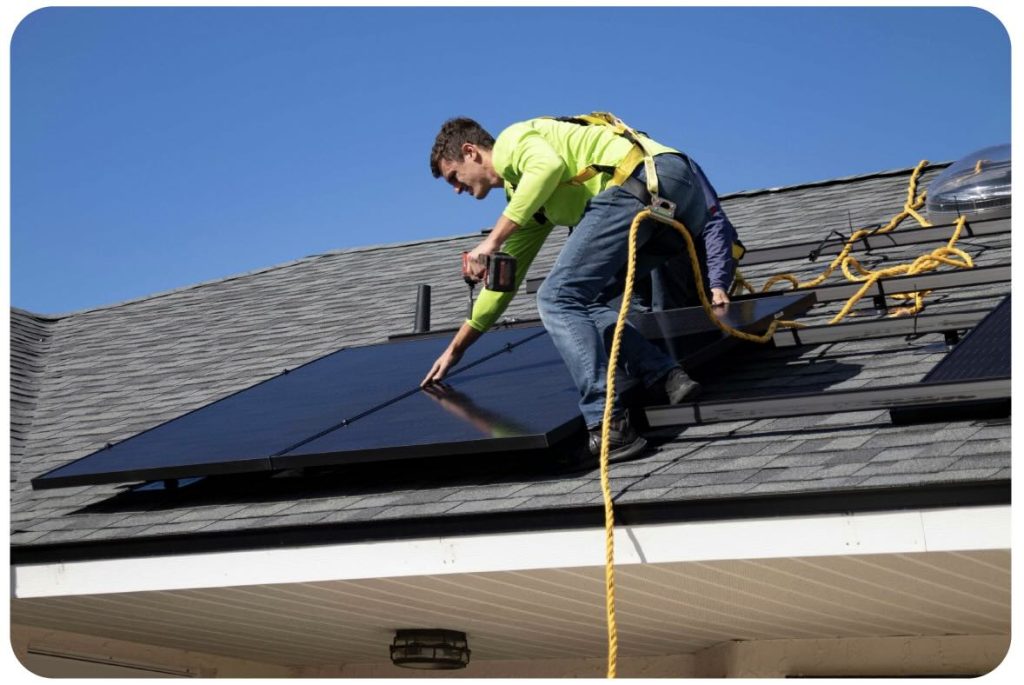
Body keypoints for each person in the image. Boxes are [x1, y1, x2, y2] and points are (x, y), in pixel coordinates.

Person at [421, 115, 738, 461]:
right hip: (675, 205)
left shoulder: (514, 141)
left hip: (641, 180)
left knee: (556, 296)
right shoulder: (526, 201)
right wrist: (455, 350)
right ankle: (665, 374)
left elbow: (546, 166)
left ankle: (609, 424)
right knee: (585, 301)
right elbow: (503, 286)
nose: (456, 189)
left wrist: (491, 242)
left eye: (454, 176)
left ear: (471, 152)